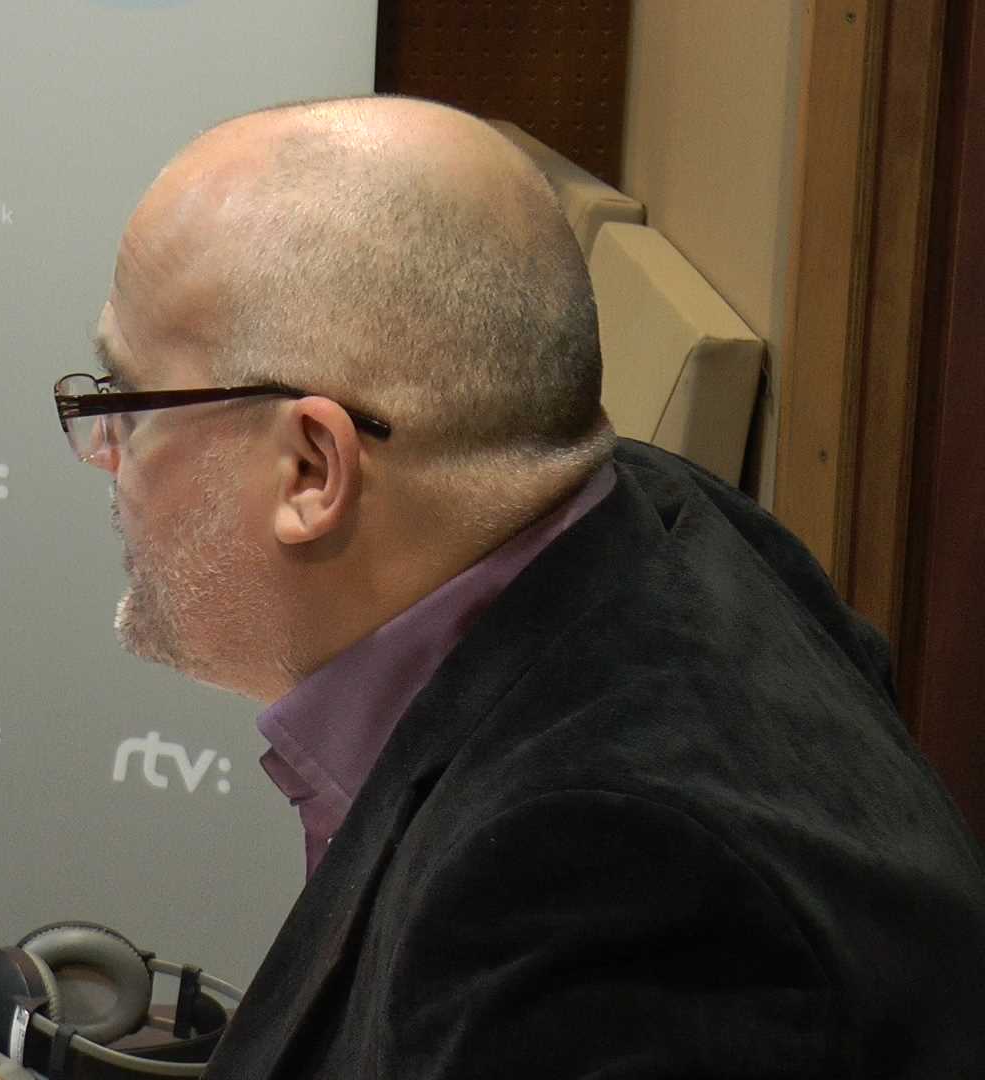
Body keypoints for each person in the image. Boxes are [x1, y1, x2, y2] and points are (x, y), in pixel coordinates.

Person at [53, 97, 985, 1076]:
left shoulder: (598, 893)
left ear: (312, 470)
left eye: (128, 406)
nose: (104, 453)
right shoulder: (655, 518)